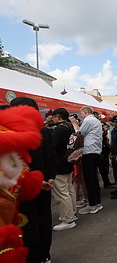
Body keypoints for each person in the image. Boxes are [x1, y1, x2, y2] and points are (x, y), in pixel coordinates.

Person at [10, 97, 56, 263]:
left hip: (27, 187)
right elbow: (52, 157)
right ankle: (45, 255)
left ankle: (35, 257)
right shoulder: (44, 131)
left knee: (28, 223)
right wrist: (51, 178)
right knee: (44, 218)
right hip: (44, 184)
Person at [70, 106, 103, 215]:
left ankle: (93, 205)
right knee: (93, 178)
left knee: (89, 179)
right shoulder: (96, 121)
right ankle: (97, 203)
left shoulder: (88, 120)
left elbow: (79, 134)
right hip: (95, 151)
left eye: (82, 114)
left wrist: (75, 124)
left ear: (85, 112)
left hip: (89, 152)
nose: (81, 116)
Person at [51, 108, 77, 230]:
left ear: (58, 116)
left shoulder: (58, 130)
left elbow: (53, 146)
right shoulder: (70, 127)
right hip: (68, 162)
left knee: (62, 192)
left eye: (53, 116)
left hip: (59, 164)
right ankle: (72, 212)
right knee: (69, 188)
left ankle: (68, 218)